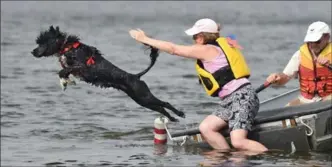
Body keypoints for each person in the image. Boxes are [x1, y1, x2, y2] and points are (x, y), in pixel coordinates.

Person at [129, 18, 267, 152]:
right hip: (230, 100)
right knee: (206, 128)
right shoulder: (215, 48)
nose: (194, 40)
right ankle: (225, 157)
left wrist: (144, 39)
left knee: (238, 141)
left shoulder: (208, 50)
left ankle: (270, 157)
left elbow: (173, 49)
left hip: (242, 97)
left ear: (201, 37)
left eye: (195, 36)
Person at [266, 21, 332, 106]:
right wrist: (277, 79)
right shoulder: (299, 55)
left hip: (328, 98)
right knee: (286, 110)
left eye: (317, 41)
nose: (312, 45)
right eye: (310, 41)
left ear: (327, 37)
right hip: (306, 100)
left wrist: (329, 65)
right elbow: (285, 77)